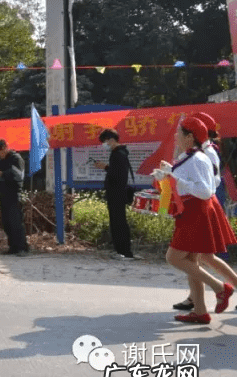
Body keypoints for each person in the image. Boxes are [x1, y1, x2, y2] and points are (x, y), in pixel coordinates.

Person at [155, 117, 237, 324]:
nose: (175, 136)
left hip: (196, 212)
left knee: (174, 257)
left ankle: (220, 288)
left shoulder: (199, 158)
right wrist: (167, 174)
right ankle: (200, 311)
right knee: (192, 261)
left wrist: (175, 178)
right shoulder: (189, 156)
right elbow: (187, 182)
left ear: (189, 137)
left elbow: (205, 191)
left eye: (179, 133)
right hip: (190, 210)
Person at [93, 129, 135, 259]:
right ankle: (120, 250)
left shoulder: (119, 154)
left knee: (119, 223)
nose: (104, 144)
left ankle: (124, 251)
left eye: (105, 141)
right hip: (115, 193)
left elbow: (118, 175)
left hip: (117, 193)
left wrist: (105, 167)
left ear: (111, 140)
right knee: (117, 221)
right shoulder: (118, 153)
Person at [0, 139, 28, 255]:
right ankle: (13, 247)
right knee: (6, 222)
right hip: (4, 194)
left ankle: (22, 248)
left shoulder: (16, 158)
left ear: (5, 148)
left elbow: (18, 175)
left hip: (14, 194)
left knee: (16, 221)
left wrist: (2, 174)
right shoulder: (1, 160)